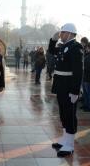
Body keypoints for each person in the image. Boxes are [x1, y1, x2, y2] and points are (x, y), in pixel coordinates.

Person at [48, 23, 83, 157]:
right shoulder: (65, 47)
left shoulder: (76, 48)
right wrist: (53, 39)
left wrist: (75, 91)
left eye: (63, 33)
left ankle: (70, 145)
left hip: (69, 88)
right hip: (61, 86)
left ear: (70, 34)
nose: (60, 35)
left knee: (70, 115)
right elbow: (52, 51)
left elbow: (78, 71)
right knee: (63, 114)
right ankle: (65, 140)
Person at [82, 42, 90, 112]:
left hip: (87, 77)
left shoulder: (88, 56)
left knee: (88, 93)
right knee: (86, 93)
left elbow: (87, 67)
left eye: (87, 47)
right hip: (85, 76)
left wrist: (84, 67)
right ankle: (86, 105)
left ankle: (88, 106)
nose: (86, 49)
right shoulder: (86, 55)